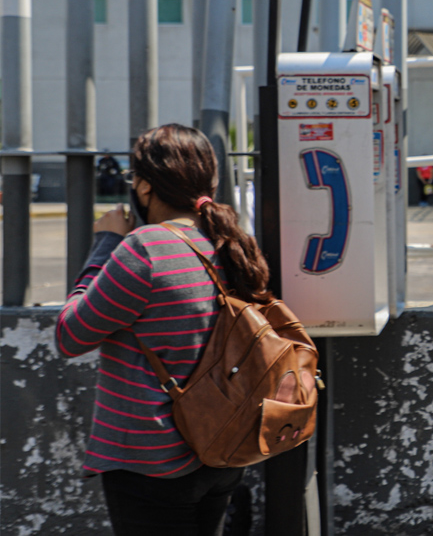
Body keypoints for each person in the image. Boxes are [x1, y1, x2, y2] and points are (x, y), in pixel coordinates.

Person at [55, 124, 272, 535]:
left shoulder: (145, 249)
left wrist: (105, 243)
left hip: (152, 461)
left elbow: (70, 336)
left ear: (143, 186)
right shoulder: (229, 243)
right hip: (222, 447)